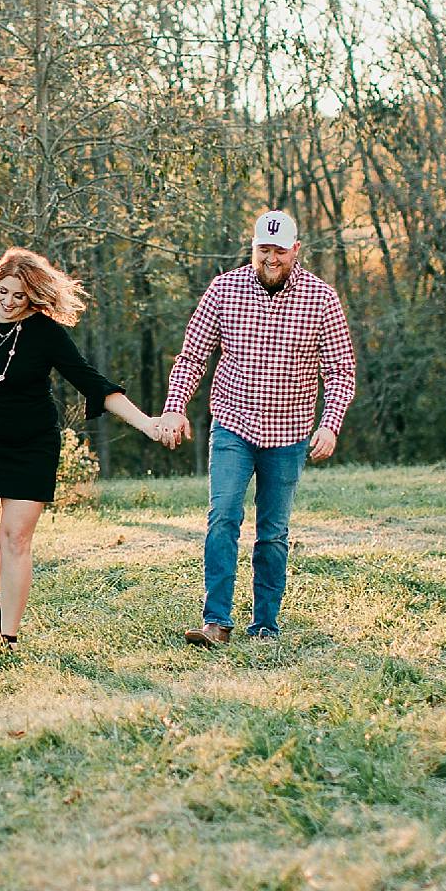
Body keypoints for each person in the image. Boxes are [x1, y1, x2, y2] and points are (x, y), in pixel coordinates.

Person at [0, 247, 176, 647]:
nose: (8, 303)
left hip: (32, 447)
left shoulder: (47, 334)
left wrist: (147, 424)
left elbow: (92, 383)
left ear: (33, 298)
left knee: (15, 539)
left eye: (19, 296)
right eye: (3, 292)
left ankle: (7, 637)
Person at [157, 209, 357, 646]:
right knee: (223, 518)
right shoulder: (224, 289)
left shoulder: (321, 299)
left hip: (289, 434)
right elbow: (192, 356)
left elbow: (341, 370)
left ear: (296, 251)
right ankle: (217, 622)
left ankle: (265, 624)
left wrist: (330, 424)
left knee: (273, 532)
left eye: (279, 251)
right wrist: (175, 407)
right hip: (233, 423)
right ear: (252, 249)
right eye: (262, 250)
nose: (271, 259)